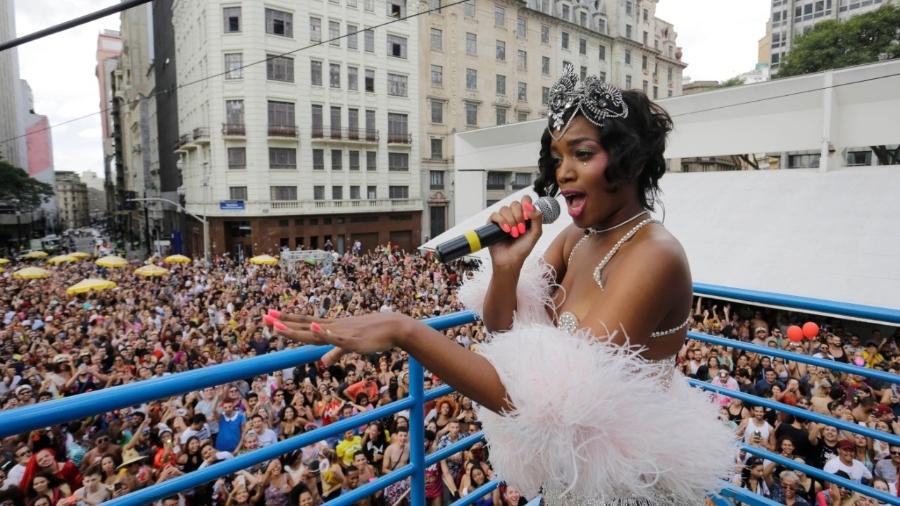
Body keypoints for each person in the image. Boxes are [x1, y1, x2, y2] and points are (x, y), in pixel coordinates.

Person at [267, 65, 735, 504]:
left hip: (632, 486)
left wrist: (404, 331)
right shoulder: (575, 238)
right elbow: (501, 326)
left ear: (630, 160)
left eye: (582, 153)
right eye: (557, 157)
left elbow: (552, 404)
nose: (563, 171)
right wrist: (507, 266)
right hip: (571, 479)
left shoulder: (654, 254)